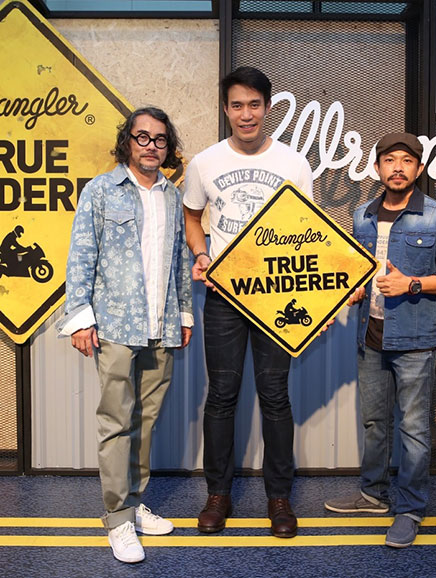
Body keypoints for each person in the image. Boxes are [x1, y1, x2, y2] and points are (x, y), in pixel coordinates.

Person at [57, 107, 193, 564]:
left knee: (146, 421)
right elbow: (81, 255)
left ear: (167, 147)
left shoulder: (172, 196)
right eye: (142, 137)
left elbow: (178, 261)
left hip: (161, 325)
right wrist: (80, 318)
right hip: (115, 324)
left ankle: (134, 504)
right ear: (128, 142)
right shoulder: (101, 190)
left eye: (160, 139)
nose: (151, 146)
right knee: (116, 422)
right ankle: (117, 519)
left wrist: (184, 314)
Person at [183, 66, 313, 539]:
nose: (246, 114)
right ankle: (218, 495)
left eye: (254, 104)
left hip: (276, 296)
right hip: (224, 298)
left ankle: (279, 498)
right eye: (237, 105)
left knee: (275, 396)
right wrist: (201, 254)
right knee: (221, 395)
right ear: (226, 109)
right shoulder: (204, 163)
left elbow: (306, 232)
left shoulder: (294, 164)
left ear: (267, 107)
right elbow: (192, 216)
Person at [323, 133, 436, 548]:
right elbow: (357, 269)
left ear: (418, 169)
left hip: (416, 339)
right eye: (390, 160)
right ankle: (373, 494)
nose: (398, 167)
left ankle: (410, 509)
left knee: (414, 429)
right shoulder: (362, 216)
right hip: (370, 336)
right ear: (377, 168)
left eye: (407, 160)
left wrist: (413, 283)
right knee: (374, 422)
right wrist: (352, 290)